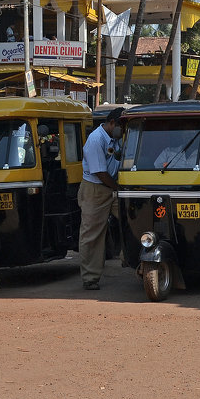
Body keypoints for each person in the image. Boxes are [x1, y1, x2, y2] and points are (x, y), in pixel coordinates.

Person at [78, 108, 123, 290]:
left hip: (114, 186)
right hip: (95, 189)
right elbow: (99, 172)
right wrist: (117, 188)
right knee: (92, 234)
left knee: (135, 221)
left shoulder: (117, 138)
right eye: (121, 126)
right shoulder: (96, 140)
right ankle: (90, 277)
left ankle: (136, 263)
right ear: (112, 123)